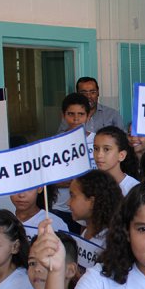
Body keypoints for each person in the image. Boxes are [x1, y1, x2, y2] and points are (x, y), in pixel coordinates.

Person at [51, 93, 95, 234]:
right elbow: (49, 178)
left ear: (88, 116)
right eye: (71, 114)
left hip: (88, 209)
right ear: (63, 115)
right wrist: (63, 182)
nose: (76, 119)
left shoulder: (97, 141)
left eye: (81, 114)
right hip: (60, 208)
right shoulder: (55, 142)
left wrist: (74, 182)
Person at [68, 170, 123, 248]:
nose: (68, 203)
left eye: (72, 196)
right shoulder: (86, 232)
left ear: (92, 202)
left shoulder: (110, 242)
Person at [58, 77, 123, 134]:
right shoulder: (70, 116)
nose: (88, 96)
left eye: (92, 92)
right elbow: (60, 138)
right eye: (83, 92)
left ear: (98, 92)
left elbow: (122, 140)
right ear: (78, 94)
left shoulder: (112, 114)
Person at [93, 126, 139, 196]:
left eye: (106, 149)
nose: (99, 155)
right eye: (96, 149)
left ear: (121, 155)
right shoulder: (90, 185)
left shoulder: (134, 189)